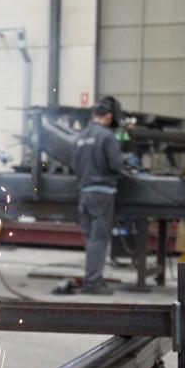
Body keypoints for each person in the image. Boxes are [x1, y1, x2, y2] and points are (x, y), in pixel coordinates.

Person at [57, 96, 124, 295]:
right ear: (109, 116)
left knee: (90, 239)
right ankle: (93, 283)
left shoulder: (80, 137)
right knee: (99, 239)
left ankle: (93, 278)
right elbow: (116, 165)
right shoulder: (107, 136)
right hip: (102, 194)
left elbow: (74, 165)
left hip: (84, 193)